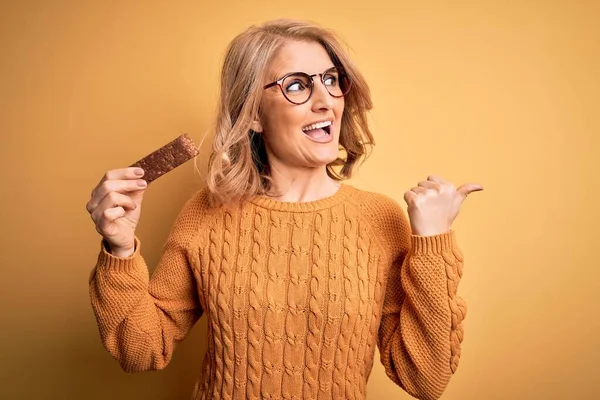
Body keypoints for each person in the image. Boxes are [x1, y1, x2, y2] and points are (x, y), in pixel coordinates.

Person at [86, 18, 482, 400]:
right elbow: (140, 351)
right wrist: (119, 249)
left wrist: (433, 243)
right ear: (253, 113)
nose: (326, 100)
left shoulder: (380, 218)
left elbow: (425, 380)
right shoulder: (205, 213)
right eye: (297, 85)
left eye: (331, 79)